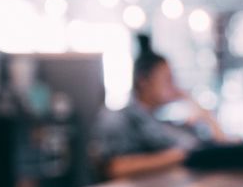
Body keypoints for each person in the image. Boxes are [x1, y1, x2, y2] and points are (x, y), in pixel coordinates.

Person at [96, 35, 225, 178]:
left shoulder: (162, 122)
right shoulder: (118, 118)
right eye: (168, 79)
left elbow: (219, 142)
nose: (175, 86)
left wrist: (198, 108)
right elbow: (116, 168)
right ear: (144, 82)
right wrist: (179, 156)